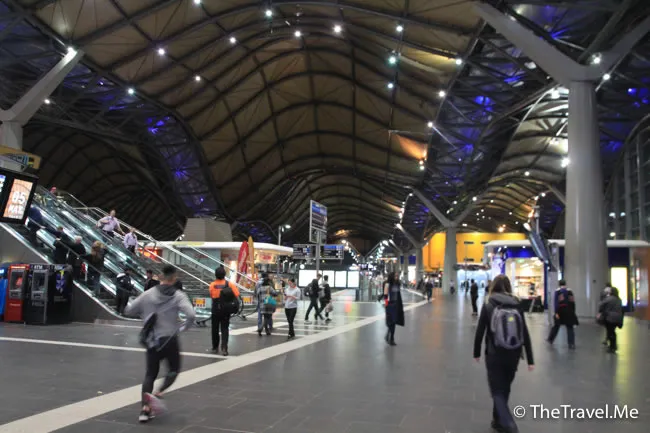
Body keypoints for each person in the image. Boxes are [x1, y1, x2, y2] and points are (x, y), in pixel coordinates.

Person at [124, 265, 195, 423]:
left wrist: (145, 314)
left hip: (152, 341)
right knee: (174, 369)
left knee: (150, 374)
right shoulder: (179, 296)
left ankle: (145, 410)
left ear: (160, 277)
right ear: (174, 278)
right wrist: (183, 327)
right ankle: (159, 392)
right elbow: (191, 315)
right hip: (170, 340)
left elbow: (129, 310)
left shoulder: (148, 294)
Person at [473, 274, 534, 433]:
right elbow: (524, 332)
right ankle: (498, 421)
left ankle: (509, 424)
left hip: (494, 353)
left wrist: (476, 352)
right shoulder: (516, 303)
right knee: (505, 387)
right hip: (514, 353)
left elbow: (480, 330)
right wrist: (530, 359)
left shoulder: (488, 303)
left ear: (493, 286)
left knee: (497, 390)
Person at [209, 266, 240, 355]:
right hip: (226, 309)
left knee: (215, 329)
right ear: (224, 275)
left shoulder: (212, 285)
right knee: (225, 328)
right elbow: (237, 294)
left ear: (215, 275)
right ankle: (224, 348)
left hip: (215, 309)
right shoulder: (229, 284)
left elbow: (211, 295)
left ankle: (215, 347)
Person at [547, 280, 578, 349]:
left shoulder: (558, 291)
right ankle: (571, 344)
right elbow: (572, 302)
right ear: (565, 284)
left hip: (560, 311)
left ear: (559, 284)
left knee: (556, 326)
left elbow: (556, 303)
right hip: (569, 311)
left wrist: (556, 313)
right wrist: (573, 312)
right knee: (570, 327)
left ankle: (550, 339)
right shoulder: (570, 291)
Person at [598, 287, 624, 353]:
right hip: (618, 318)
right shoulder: (619, 300)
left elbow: (601, 305)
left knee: (610, 332)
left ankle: (612, 347)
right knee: (612, 331)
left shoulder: (609, 299)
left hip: (610, 317)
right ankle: (613, 346)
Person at [381, 271, 404, 346]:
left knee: (393, 322)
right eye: (395, 276)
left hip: (396, 305)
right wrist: (387, 305)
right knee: (390, 322)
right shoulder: (387, 284)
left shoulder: (397, 284)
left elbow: (398, 295)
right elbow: (385, 295)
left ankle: (391, 338)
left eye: (397, 276)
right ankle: (390, 337)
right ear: (391, 276)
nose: (396, 277)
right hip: (390, 305)